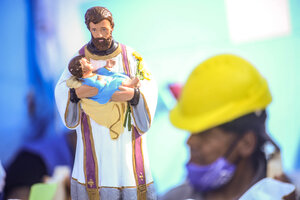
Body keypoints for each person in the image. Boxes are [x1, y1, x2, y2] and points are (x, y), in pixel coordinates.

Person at [55, 6, 157, 200]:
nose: (99, 35)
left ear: (112, 27)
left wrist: (135, 96)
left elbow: (149, 85)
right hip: (93, 137)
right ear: (89, 29)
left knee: (129, 172)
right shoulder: (79, 58)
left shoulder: (130, 57)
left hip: (127, 141)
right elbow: (63, 89)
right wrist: (76, 94)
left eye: (103, 29)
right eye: (94, 30)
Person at [162, 54, 296, 200]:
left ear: (246, 143)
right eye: (191, 131)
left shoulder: (288, 194)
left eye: (204, 133)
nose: (190, 142)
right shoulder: (174, 197)